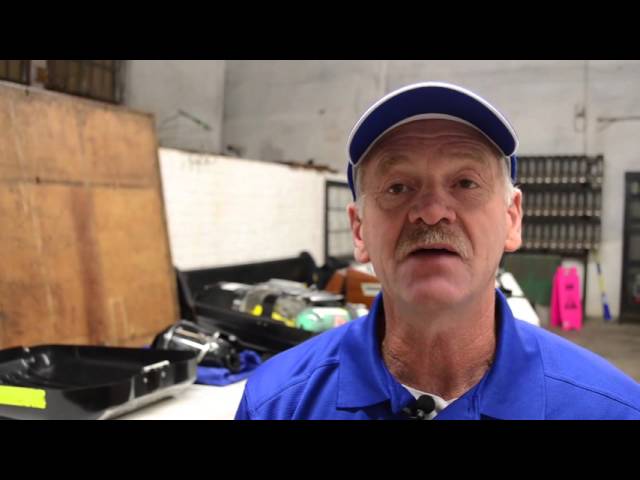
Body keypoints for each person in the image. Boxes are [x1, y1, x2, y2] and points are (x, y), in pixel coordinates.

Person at [235, 81, 640, 420]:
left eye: (465, 183)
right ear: (359, 229)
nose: (431, 212)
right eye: (398, 187)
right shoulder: (277, 405)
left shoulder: (611, 410)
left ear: (512, 219)